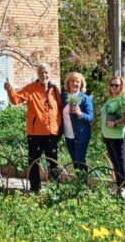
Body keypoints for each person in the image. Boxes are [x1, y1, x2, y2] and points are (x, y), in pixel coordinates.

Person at [5, 63, 62, 193]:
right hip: (35, 133)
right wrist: (10, 90)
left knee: (53, 162)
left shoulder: (55, 90)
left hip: (52, 133)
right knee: (34, 162)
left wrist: (59, 127)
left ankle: (55, 189)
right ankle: (35, 188)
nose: (44, 75)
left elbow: (59, 109)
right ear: (38, 74)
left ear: (50, 73)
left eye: (46, 72)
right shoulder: (31, 88)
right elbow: (16, 100)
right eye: (41, 72)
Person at [100, 76, 125, 197]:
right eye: (112, 85)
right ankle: (118, 184)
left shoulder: (123, 99)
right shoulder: (111, 99)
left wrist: (115, 123)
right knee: (115, 162)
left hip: (118, 135)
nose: (114, 87)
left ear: (122, 86)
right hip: (108, 136)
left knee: (121, 161)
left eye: (116, 85)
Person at [61, 72, 94, 171]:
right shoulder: (64, 98)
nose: (74, 83)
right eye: (72, 81)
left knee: (80, 162)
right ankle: (77, 184)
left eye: (77, 81)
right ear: (68, 83)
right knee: (74, 161)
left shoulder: (85, 99)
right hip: (68, 135)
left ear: (81, 84)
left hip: (81, 134)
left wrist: (80, 114)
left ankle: (83, 184)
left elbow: (91, 118)